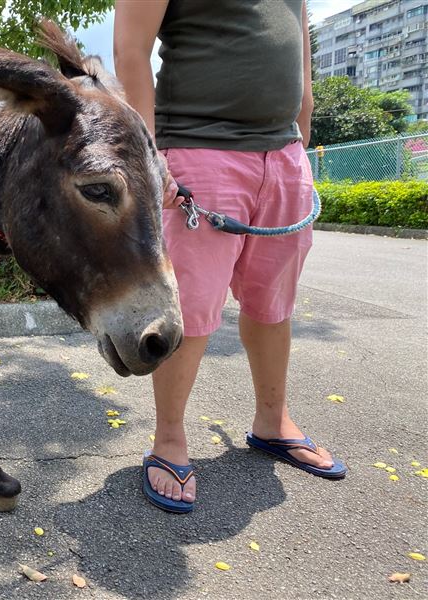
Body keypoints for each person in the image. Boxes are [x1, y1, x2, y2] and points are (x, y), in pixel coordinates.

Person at [114, 0, 346, 513]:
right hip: (198, 151)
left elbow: (301, 62)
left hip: (283, 155)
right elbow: (131, 51)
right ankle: (169, 439)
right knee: (191, 311)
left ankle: (272, 421)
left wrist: (298, 149)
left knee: (274, 304)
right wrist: (151, 158)